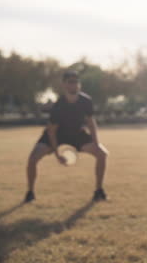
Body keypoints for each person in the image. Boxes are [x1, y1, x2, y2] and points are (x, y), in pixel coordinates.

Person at [25, 71, 109, 202]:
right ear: (64, 85)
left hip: (76, 134)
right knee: (32, 159)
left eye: (76, 82)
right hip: (56, 135)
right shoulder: (59, 105)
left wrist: (96, 143)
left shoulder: (86, 101)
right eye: (70, 81)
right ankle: (30, 192)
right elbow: (52, 131)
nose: (74, 84)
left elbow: (91, 122)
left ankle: (99, 191)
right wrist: (57, 154)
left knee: (102, 154)